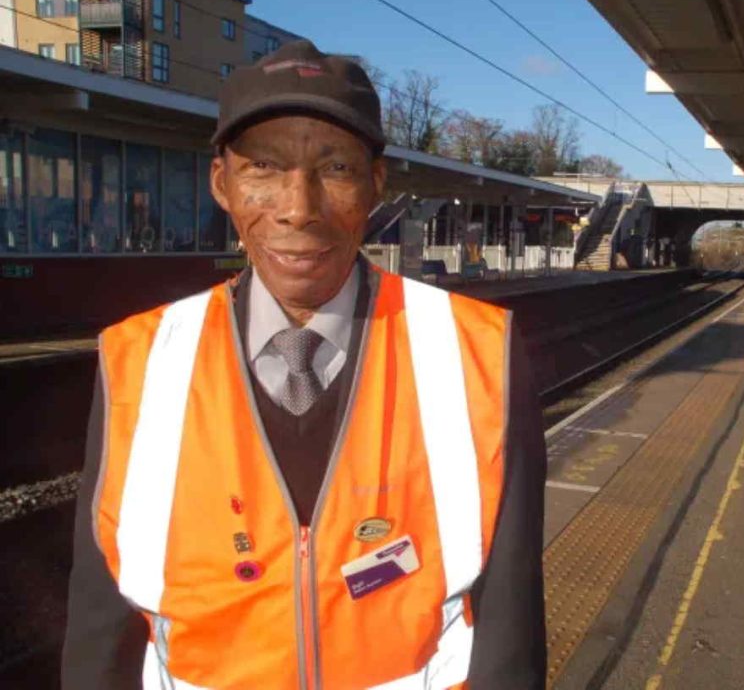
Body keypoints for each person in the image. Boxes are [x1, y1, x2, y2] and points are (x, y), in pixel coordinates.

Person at [62, 41, 547, 689]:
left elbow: (509, 609)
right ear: (222, 185)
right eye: (264, 166)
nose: (299, 207)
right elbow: (101, 611)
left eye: (336, 167)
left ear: (376, 185)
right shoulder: (139, 357)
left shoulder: (478, 349)